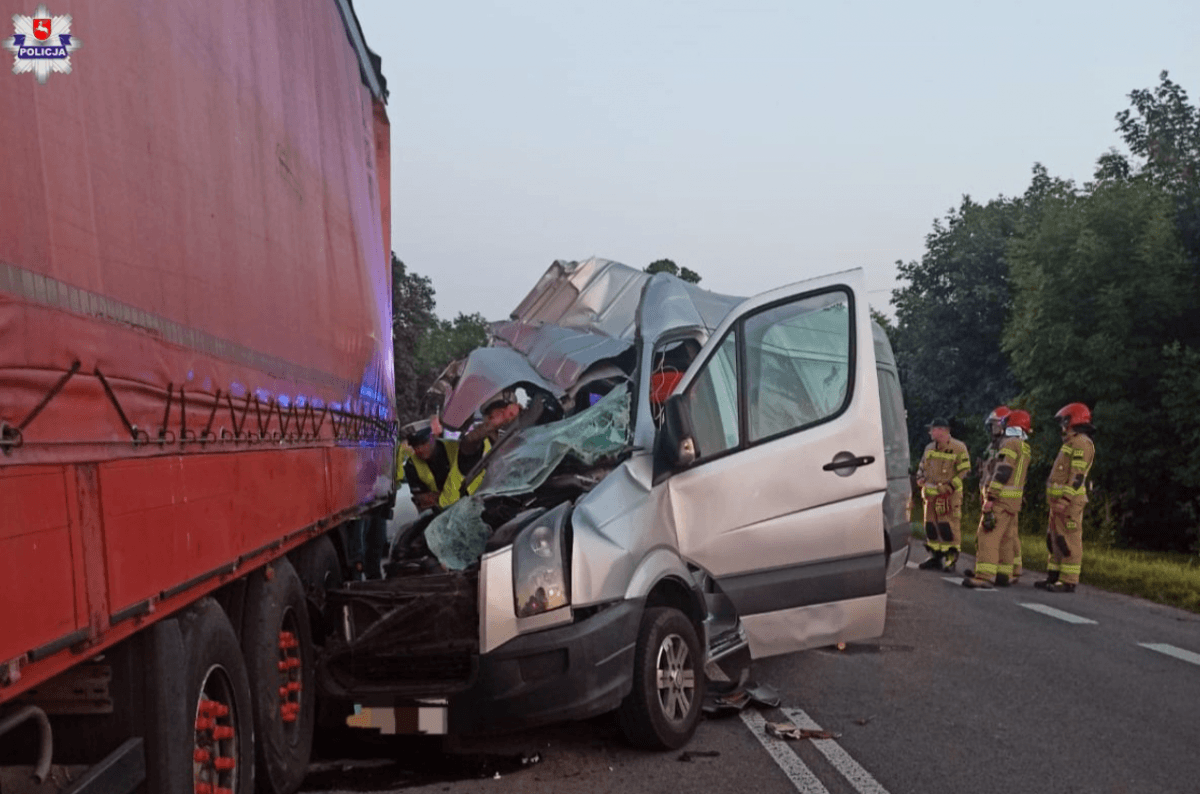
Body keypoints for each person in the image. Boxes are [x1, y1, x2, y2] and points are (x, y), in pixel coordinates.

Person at [964, 409, 1032, 589]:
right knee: (1006, 538)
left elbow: (1003, 470)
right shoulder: (1023, 446)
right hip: (1012, 501)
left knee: (988, 535)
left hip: (1000, 498)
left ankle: (985, 576)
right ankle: (1003, 573)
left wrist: (991, 496)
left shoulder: (1009, 444)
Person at [1036, 402, 1095, 593]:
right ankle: (1054, 575)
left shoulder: (1081, 443)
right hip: (1058, 503)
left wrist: (1065, 500)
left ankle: (1068, 580)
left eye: (1064, 421)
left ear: (1073, 420)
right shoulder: (1070, 443)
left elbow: (1077, 476)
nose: (1062, 426)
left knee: (1068, 540)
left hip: (1069, 504)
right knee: (1055, 539)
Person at [915, 417, 971, 572]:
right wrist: (920, 478)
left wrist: (950, 486)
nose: (930, 432)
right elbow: (922, 466)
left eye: (933, 429)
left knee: (947, 526)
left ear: (942, 430)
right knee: (931, 526)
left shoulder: (959, 447)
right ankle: (935, 556)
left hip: (948, 496)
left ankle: (950, 557)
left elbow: (965, 471)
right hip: (930, 497)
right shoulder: (929, 448)